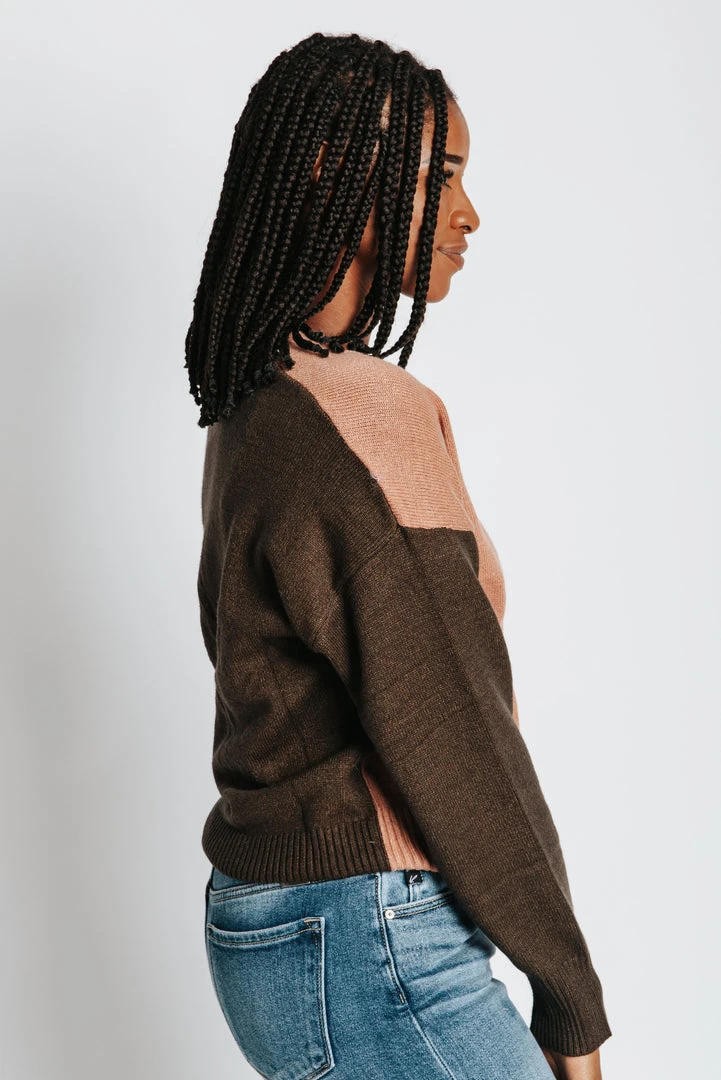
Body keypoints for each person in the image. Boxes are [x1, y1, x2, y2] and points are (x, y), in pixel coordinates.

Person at [186, 31, 612, 1080]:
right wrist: (570, 1001)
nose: (468, 215)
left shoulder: (260, 396)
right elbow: (451, 732)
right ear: (337, 173)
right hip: (371, 935)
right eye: (442, 177)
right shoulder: (363, 419)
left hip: (274, 921)